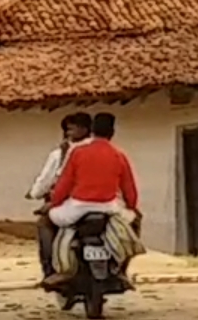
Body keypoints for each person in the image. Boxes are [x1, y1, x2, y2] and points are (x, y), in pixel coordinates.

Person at [43, 111, 145, 288]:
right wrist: (132, 207)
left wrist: (53, 203)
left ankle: (52, 271)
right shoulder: (119, 155)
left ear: (92, 131)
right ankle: (122, 269)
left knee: (44, 223)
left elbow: (63, 184)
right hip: (108, 207)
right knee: (135, 221)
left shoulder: (78, 153)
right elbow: (130, 190)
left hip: (77, 207)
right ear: (112, 132)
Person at [28, 112, 93, 280]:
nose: (68, 133)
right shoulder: (103, 149)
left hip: (71, 204)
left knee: (44, 225)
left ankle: (50, 271)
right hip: (104, 204)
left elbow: (48, 179)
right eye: (67, 130)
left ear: (83, 129)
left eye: (71, 129)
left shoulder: (62, 153)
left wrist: (35, 193)